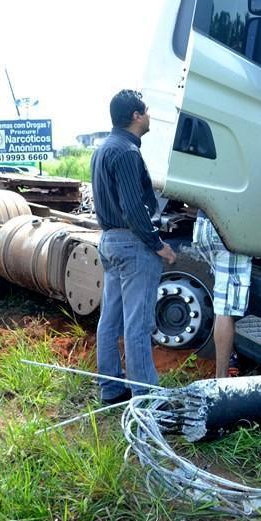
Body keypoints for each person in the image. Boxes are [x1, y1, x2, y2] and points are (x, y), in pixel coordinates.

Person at [91, 89, 176, 404]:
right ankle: (146, 397)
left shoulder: (102, 150)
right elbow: (133, 208)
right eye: (148, 111)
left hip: (109, 241)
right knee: (138, 326)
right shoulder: (127, 151)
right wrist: (158, 245)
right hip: (132, 244)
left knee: (110, 321)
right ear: (137, 116)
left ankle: (111, 388)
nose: (150, 116)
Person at [193, 212, 250, 378]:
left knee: (222, 293)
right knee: (224, 308)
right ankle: (221, 378)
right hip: (230, 228)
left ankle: (231, 357)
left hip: (204, 225)